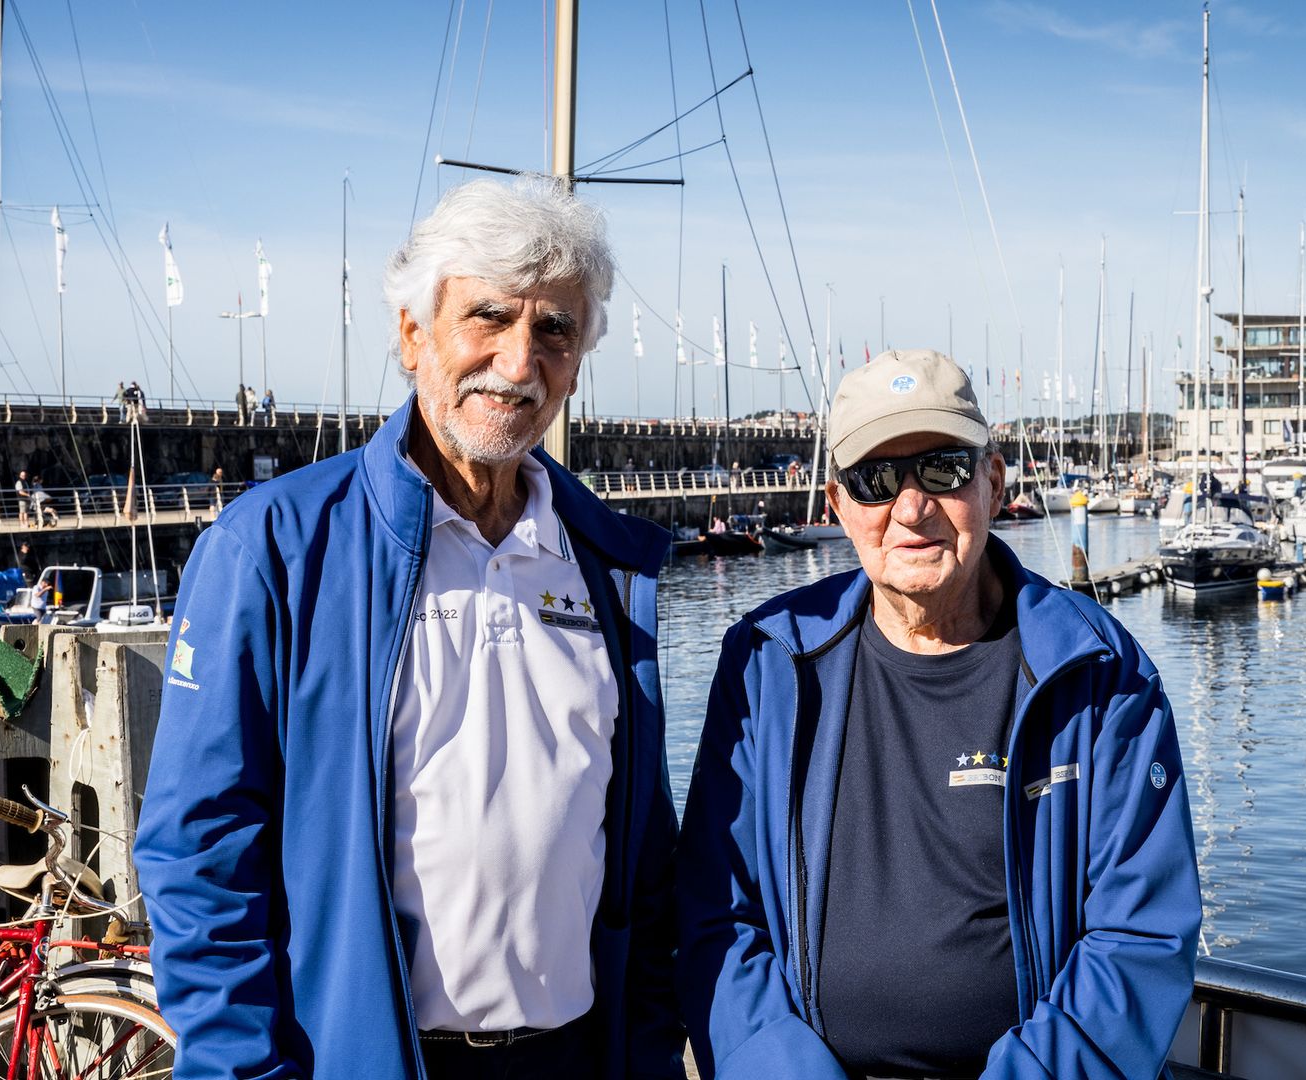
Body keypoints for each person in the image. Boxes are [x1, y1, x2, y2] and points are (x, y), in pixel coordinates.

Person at [136, 175, 684, 1080]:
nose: (518, 363)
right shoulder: (275, 548)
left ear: (578, 363)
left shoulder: (607, 563)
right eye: (489, 317)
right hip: (363, 1058)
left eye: (554, 330)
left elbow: (644, 853)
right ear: (411, 333)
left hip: (583, 1057)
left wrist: (651, 1045)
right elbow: (199, 853)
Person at [677, 350, 1200, 1079]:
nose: (911, 506)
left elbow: (1140, 938)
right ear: (838, 506)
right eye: (876, 481)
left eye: (943, 469)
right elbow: (714, 919)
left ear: (993, 481)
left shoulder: (1101, 673)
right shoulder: (766, 665)